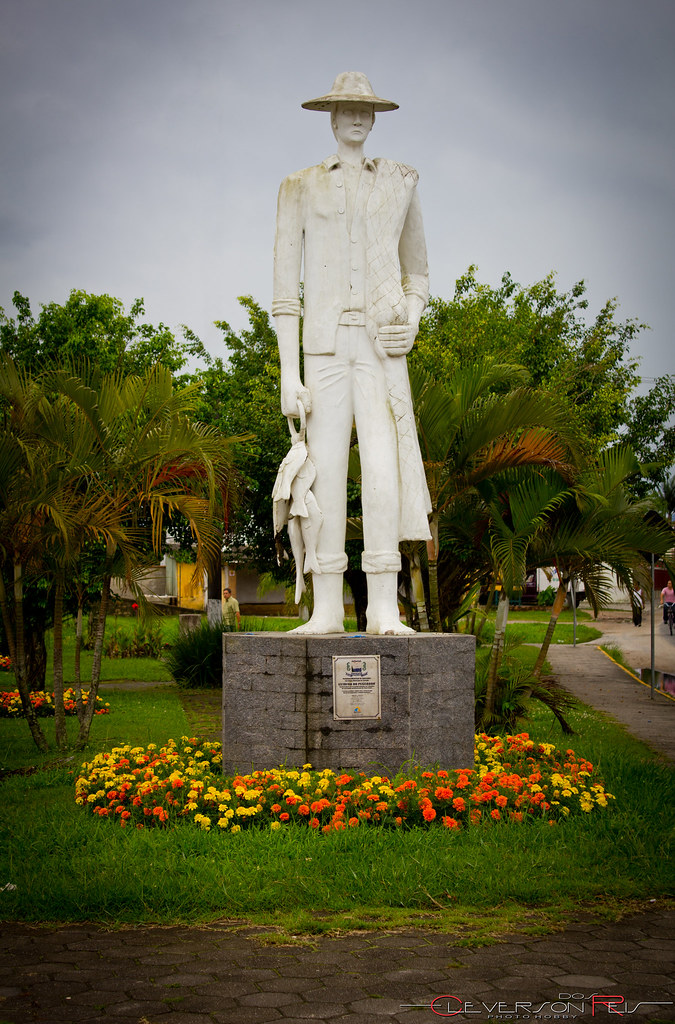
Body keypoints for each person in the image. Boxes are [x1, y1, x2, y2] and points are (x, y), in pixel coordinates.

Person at [272, 72, 431, 635]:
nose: (358, 118)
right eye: (347, 109)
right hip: (324, 346)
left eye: (366, 110)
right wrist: (289, 374)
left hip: (382, 346)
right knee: (327, 473)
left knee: (384, 468)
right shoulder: (299, 186)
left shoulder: (399, 184)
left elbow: (418, 273)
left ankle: (384, 606)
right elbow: (284, 293)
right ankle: (326, 610)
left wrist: (410, 323)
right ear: (332, 117)